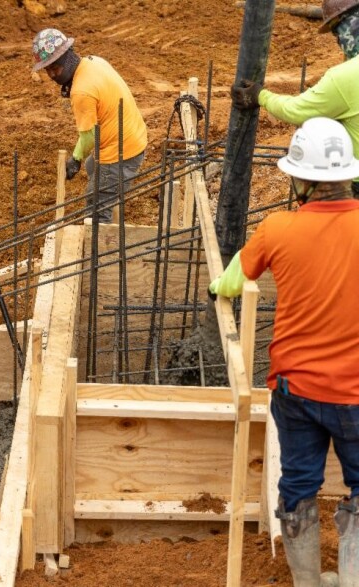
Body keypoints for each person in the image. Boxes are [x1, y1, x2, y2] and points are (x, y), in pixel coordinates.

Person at [209, 118, 359, 587]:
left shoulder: (278, 227)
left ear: (303, 181)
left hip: (294, 387)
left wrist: (218, 287)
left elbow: (233, 278)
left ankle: (310, 583)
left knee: (298, 487)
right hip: (355, 391)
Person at [231, 0, 359, 197]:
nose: (338, 41)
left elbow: (297, 111)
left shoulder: (345, 76)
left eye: (337, 32)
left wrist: (260, 96)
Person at [31, 28, 148, 224]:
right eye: (47, 69)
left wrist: (75, 160)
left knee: (95, 210)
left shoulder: (82, 91)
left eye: (55, 67)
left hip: (122, 152)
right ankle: (106, 195)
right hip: (132, 136)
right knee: (92, 166)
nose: (51, 74)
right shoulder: (94, 61)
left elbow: (89, 137)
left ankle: (101, 248)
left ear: (69, 56)